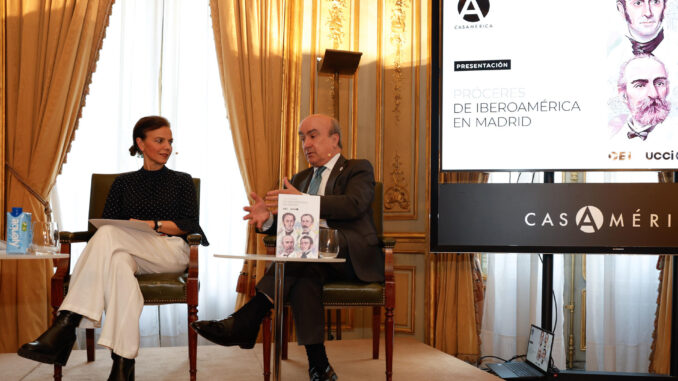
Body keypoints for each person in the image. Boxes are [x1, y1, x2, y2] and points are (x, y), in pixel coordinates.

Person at [192, 114, 383, 381]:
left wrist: (304, 200)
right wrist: (268, 220)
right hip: (312, 260)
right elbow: (290, 227)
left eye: (313, 135)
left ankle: (250, 316)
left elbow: (353, 205)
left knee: (303, 252)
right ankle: (319, 365)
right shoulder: (301, 178)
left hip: (350, 256)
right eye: (303, 138)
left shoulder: (358, 168)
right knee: (304, 273)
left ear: (334, 139)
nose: (306, 143)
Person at [17, 116, 208, 381]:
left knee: (110, 238)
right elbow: (105, 228)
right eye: (159, 140)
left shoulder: (182, 181)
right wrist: (128, 229)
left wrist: (153, 224)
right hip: (128, 252)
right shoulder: (123, 183)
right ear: (140, 143)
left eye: (169, 141)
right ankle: (122, 365)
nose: (167, 147)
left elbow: (190, 224)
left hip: (170, 252)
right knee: (117, 264)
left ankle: (67, 322)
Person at [610, 53, 671, 141]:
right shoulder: (613, 135)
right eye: (640, 85)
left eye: (659, 83)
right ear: (623, 95)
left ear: (667, 89)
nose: (654, 94)